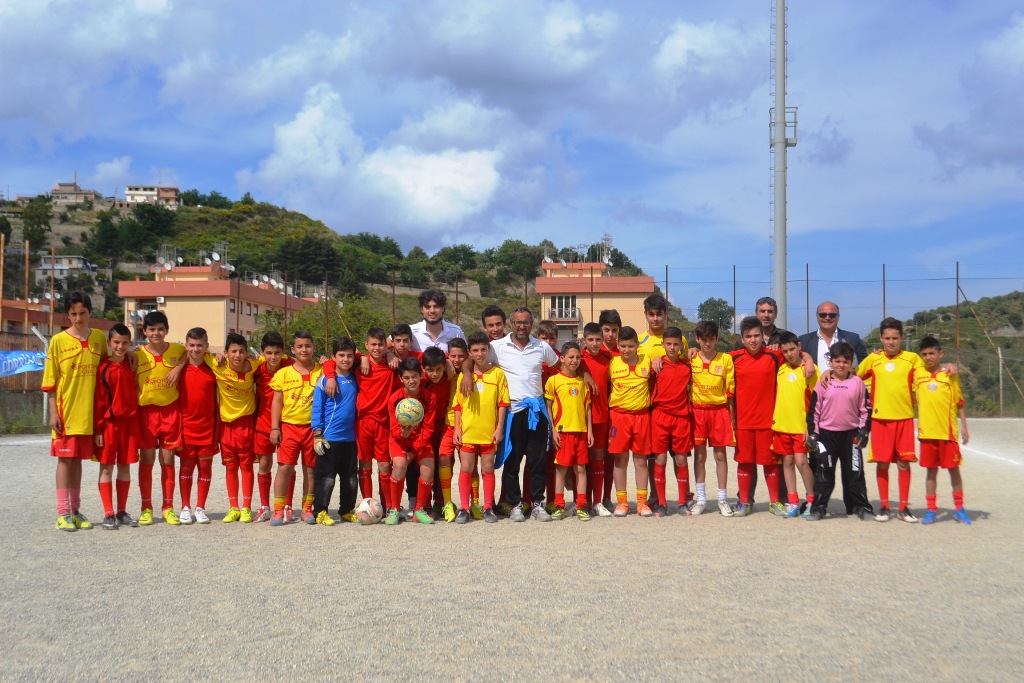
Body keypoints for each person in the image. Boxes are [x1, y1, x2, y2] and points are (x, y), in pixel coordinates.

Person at [471, 307, 559, 522]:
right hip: (513, 411)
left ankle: (537, 503)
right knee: (512, 461)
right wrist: (465, 373)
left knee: (538, 461)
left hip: (536, 411)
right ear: (511, 324)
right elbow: (471, 359)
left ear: (531, 324)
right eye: (518, 322)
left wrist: (585, 375)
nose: (522, 326)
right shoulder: (497, 346)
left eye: (526, 322)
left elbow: (561, 365)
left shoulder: (542, 346)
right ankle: (515, 504)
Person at [44, 291, 107, 531]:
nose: (78, 318)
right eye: (73, 314)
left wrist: (130, 353)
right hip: (66, 412)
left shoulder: (98, 338)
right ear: (67, 315)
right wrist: (53, 413)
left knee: (77, 460)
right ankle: (63, 513)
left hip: (88, 414)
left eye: (82, 313)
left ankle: (75, 510)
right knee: (65, 460)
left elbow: (109, 365)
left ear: (90, 312)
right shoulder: (58, 341)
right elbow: (50, 381)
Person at [856, 317, 924, 523]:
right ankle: (885, 506)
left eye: (895, 338)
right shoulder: (874, 359)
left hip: (904, 419)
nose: (891, 342)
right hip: (880, 419)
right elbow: (856, 376)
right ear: (881, 339)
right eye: (887, 338)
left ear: (901, 338)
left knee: (904, 463)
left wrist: (948, 368)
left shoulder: (912, 359)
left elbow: (927, 375)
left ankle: (903, 508)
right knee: (883, 463)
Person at [323, 327, 399, 509]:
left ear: (385, 346)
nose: (377, 348)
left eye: (380, 345)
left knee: (384, 466)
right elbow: (329, 362)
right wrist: (331, 377)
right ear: (366, 345)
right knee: (364, 465)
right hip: (363, 422)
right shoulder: (358, 363)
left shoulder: (392, 365)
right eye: (373, 344)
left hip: (383, 423)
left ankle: (388, 506)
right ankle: (368, 504)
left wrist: (390, 354)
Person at [804, 342, 873, 521]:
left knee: (855, 473)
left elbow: (865, 409)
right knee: (824, 473)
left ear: (851, 363)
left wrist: (864, 430)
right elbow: (814, 411)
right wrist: (814, 434)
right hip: (826, 435)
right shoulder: (823, 383)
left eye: (845, 361)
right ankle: (819, 507)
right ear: (831, 362)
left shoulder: (857, 383)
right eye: (837, 361)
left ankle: (861, 506)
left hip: (851, 435)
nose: (841, 365)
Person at [729, 317, 787, 517]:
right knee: (745, 462)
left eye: (756, 335)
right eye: (748, 337)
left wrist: (808, 360)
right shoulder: (733, 358)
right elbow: (709, 357)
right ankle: (744, 502)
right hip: (743, 423)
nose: (753, 340)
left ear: (763, 336)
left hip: (768, 422)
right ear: (742, 339)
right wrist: (692, 350)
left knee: (771, 463)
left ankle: (775, 502)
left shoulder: (774, 356)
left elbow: (798, 352)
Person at [134, 311, 185, 525]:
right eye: (152, 329)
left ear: (167, 330)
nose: (156, 333)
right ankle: (146, 508)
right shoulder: (137, 354)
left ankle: (168, 507)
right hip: (146, 413)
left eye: (160, 329)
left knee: (168, 459)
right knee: (147, 460)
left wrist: (178, 367)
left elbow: (192, 353)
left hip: (170, 411)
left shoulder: (177, 350)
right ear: (145, 331)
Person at [454, 332, 510, 523]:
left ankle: (488, 507)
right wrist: (457, 429)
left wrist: (499, 429)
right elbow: (458, 406)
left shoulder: (498, 374)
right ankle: (464, 508)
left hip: (488, 432)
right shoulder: (464, 376)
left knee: (488, 468)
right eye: (475, 350)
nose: (480, 354)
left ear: (489, 350)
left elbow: (502, 404)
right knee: (466, 468)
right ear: (470, 353)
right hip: (468, 431)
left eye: (483, 350)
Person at [914, 336, 971, 525]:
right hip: (927, 434)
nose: (928, 357)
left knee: (954, 471)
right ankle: (931, 509)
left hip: (947, 433)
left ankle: (959, 509)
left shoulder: (949, 375)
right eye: (924, 354)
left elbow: (959, 402)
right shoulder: (918, 374)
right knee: (931, 472)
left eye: (932, 353)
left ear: (941, 354)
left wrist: (964, 427)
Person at [269, 331, 322, 526]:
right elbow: (276, 402)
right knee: (284, 468)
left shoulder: (322, 371)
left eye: (307, 346)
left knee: (310, 470)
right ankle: (278, 509)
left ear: (313, 348)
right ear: (293, 350)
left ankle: (307, 508)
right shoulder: (283, 374)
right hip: (289, 427)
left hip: (313, 429)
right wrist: (275, 428)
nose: (304, 350)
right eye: (300, 346)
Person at [207, 332, 259, 524]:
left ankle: (246, 507)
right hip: (226, 425)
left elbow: (280, 357)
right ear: (227, 352)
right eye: (234, 351)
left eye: (242, 351)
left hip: (246, 424)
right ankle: (233, 507)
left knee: (246, 466)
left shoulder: (255, 364)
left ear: (246, 352)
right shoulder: (218, 365)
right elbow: (193, 351)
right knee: (230, 467)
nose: (238, 355)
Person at [93, 323, 139, 530]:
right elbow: (98, 401)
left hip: (129, 424)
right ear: (109, 342)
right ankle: (108, 512)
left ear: (130, 343)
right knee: (106, 467)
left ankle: (121, 510)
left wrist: (133, 354)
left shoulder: (132, 364)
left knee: (125, 466)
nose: (120, 346)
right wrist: (98, 429)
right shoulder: (103, 368)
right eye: (116, 342)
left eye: (125, 343)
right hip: (109, 425)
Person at [311, 337, 359, 525]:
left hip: (350, 439)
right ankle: (320, 511)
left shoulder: (355, 377)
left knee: (350, 478)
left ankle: (346, 510)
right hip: (329, 438)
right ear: (333, 357)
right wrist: (317, 434)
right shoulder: (325, 380)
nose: (346, 359)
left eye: (349, 355)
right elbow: (317, 407)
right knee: (326, 478)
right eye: (341, 355)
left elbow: (363, 355)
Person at [689, 321, 735, 516]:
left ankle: (722, 500)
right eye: (704, 340)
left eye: (711, 339)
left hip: (719, 411)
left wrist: (731, 418)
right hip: (698, 412)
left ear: (716, 339)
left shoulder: (725, 359)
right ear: (698, 339)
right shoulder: (691, 358)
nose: (707, 344)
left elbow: (730, 391)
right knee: (700, 456)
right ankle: (701, 499)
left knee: (720, 456)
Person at [771, 332, 819, 517]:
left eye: (792, 349)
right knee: (788, 462)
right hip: (782, 425)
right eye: (785, 351)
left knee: (801, 462)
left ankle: (812, 500)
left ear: (799, 346)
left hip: (801, 427)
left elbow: (817, 399)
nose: (789, 354)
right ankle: (793, 502)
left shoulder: (810, 369)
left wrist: (810, 426)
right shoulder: (781, 368)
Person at [608, 326, 654, 517]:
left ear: (637, 346)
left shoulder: (647, 361)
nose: (627, 350)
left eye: (631, 346)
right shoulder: (612, 362)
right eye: (623, 346)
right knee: (620, 460)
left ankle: (642, 503)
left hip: (641, 416)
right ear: (618, 345)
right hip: (619, 417)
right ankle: (622, 503)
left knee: (641, 460)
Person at [544, 341, 593, 521]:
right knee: (561, 469)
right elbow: (548, 407)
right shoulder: (554, 380)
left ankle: (581, 506)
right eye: (571, 357)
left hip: (581, 431)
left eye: (578, 357)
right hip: (563, 432)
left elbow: (587, 408)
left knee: (580, 469)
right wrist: (553, 430)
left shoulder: (583, 382)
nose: (574, 360)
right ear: (562, 358)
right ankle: (559, 505)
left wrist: (590, 431)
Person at [386, 357, 438, 525]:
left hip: (421, 441)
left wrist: (414, 452)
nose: (411, 381)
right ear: (401, 379)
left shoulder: (430, 397)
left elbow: (428, 429)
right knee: (399, 466)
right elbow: (393, 430)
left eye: (414, 376)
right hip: (399, 440)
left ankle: (418, 510)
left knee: (428, 468)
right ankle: (394, 509)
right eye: (407, 378)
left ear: (421, 375)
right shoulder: (394, 399)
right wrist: (403, 434)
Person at [650, 326, 693, 517]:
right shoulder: (657, 365)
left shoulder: (688, 366)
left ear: (681, 345)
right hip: (660, 416)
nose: (672, 347)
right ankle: (662, 503)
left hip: (681, 418)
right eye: (669, 344)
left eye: (676, 344)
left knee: (681, 459)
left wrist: (695, 349)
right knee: (660, 459)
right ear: (663, 344)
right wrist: (655, 359)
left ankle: (682, 502)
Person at [176, 328, 218, 525]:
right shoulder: (179, 369)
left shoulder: (213, 369)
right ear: (186, 346)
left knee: (205, 468)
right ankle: (185, 506)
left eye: (200, 345)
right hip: (186, 427)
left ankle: (200, 507)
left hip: (208, 427)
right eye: (192, 345)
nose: (196, 349)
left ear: (206, 346)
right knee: (186, 468)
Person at [252, 332, 293, 522]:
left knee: (287, 466)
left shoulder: (290, 365)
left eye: (277, 353)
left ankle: (287, 506)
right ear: (262, 353)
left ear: (283, 352)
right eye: (269, 353)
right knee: (264, 464)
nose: (273, 357)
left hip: (286, 424)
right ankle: (264, 506)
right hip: (263, 424)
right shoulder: (256, 369)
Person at [579, 322, 613, 517]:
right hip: (579, 417)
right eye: (590, 339)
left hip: (601, 416)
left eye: (598, 339)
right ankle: (582, 501)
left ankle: (598, 502)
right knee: (581, 460)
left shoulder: (608, 359)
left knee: (598, 457)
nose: (594, 343)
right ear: (584, 340)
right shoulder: (578, 359)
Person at [798, 302, 868, 371]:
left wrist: (849, 374)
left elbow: (865, 363)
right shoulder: (804, 341)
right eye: (823, 315)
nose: (827, 318)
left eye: (832, 315)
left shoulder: (852, 339)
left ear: (838, 317)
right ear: (817, 316)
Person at [409, 289, 466, 353]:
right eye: (428, 307)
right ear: (422, 309)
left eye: (436, 306)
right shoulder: (411, 332)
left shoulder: (456, 332)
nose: (432, 311)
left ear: (443, 308)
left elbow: (466, 355)